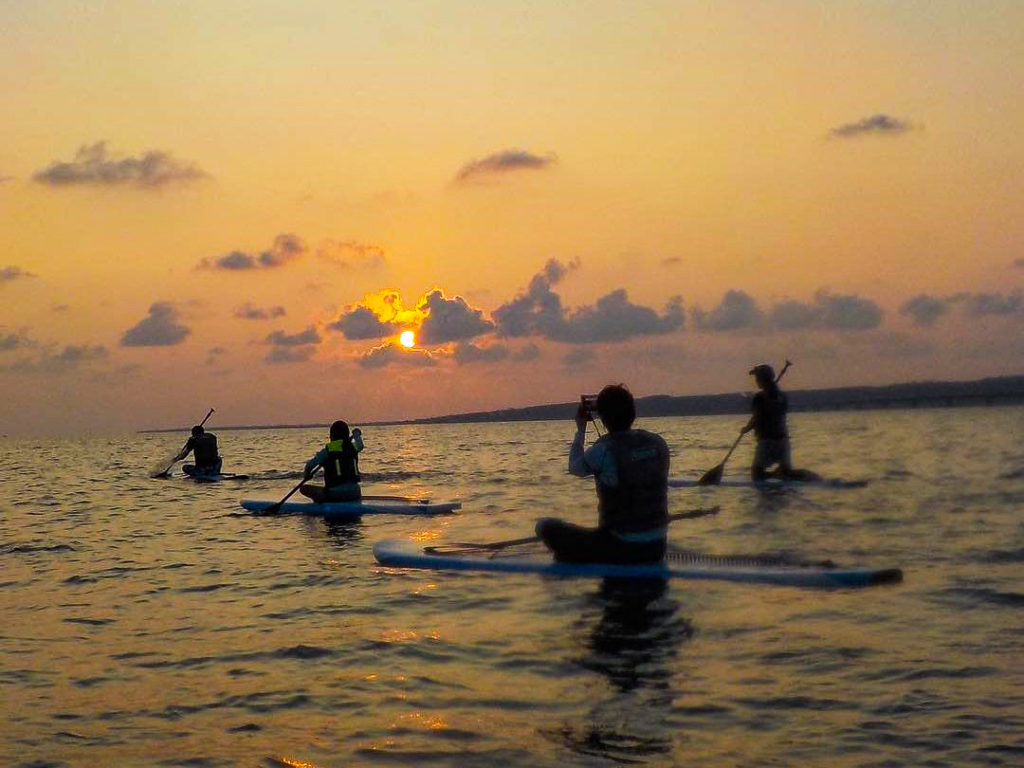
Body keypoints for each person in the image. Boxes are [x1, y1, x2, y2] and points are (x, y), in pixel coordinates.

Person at [536, 384, 670, 564]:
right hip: (658, 546)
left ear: (603, 418)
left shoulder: (605, 449)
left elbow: (575, 468)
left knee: (544, 526)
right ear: (632, 413)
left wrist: (581, 429)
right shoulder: (658, 443)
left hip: (620, 547)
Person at [740, 363, 798, 481]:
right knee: (787, 473)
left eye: (757, 378)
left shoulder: (760, 398)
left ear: (762, 379)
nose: (756, 381)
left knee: (757, 475)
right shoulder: (782, 396)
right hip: (783, 440)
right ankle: (783, 473)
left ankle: (777, 475)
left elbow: (757, 418)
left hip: (767, 441)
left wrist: (747, 428)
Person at [300, 420, 364, 503]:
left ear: (332, 436)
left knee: (304, 488)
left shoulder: (329, 449)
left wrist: (307, 474)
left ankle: (321, 503)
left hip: (337, 494)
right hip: (355, 492)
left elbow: (309, 465)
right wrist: (356, 434)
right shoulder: (353, 446)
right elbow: (360, 445)